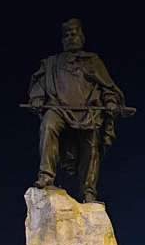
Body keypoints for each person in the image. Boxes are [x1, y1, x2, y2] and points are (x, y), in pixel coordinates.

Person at [28, 17, 126, 202]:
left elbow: (108, 87)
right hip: (59, 108)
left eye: (74, 34)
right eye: (67, 35)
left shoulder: (92, 61)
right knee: (48, 124)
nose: (70, 38)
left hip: (88, 112)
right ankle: (46, 176)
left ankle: (88, 191)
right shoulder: (52, 63)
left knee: (92, 141)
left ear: (82, 36)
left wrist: (111, 101)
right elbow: (39, 84)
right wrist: (37, 98)